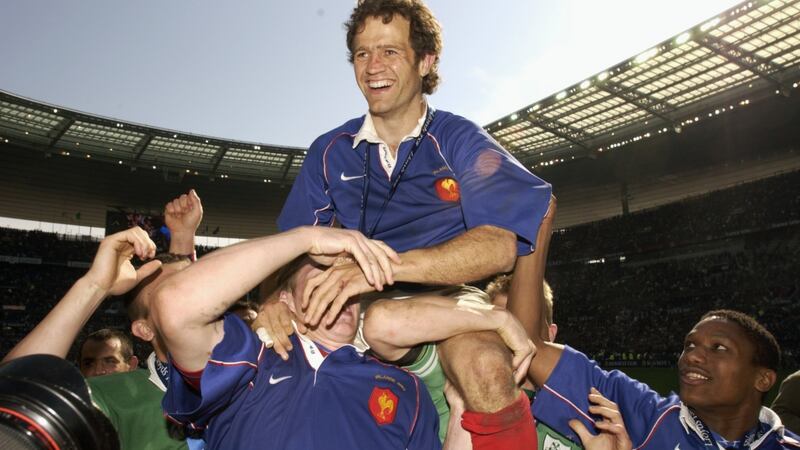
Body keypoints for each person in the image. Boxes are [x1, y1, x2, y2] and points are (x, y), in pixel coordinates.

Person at [274, 1, 550, 447]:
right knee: (277, 369)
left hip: (448, 300)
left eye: (390, 51)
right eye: (362, 53)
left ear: (425, 61)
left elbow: (499, 245)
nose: (373, 67)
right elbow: (290, 248)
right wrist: (274, 300)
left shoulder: (458, 138)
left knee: (486, 367)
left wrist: (378, 267)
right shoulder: (328, 150)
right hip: (351, 307)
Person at [509, 201, 800, 449]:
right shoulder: (643, 415)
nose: (693, 356)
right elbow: (528, 343)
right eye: (689, 345)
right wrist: (537, 230)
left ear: (763, 379)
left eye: (719, 348)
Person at [152, 226, 444, 449]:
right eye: (322, 276)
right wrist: (307, 238)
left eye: (350, 278)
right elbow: (175, 306)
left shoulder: (406, 388)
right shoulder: (250, 359)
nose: (339, 285)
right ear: (287, 301)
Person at [3, 189, 205, 450]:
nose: (198, 299)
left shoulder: (248, 370)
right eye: (174, 293)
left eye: (202, 289)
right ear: (144, 330)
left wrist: (183, 237)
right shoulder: (114, 395)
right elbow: (14, 397)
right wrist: (94, 286)